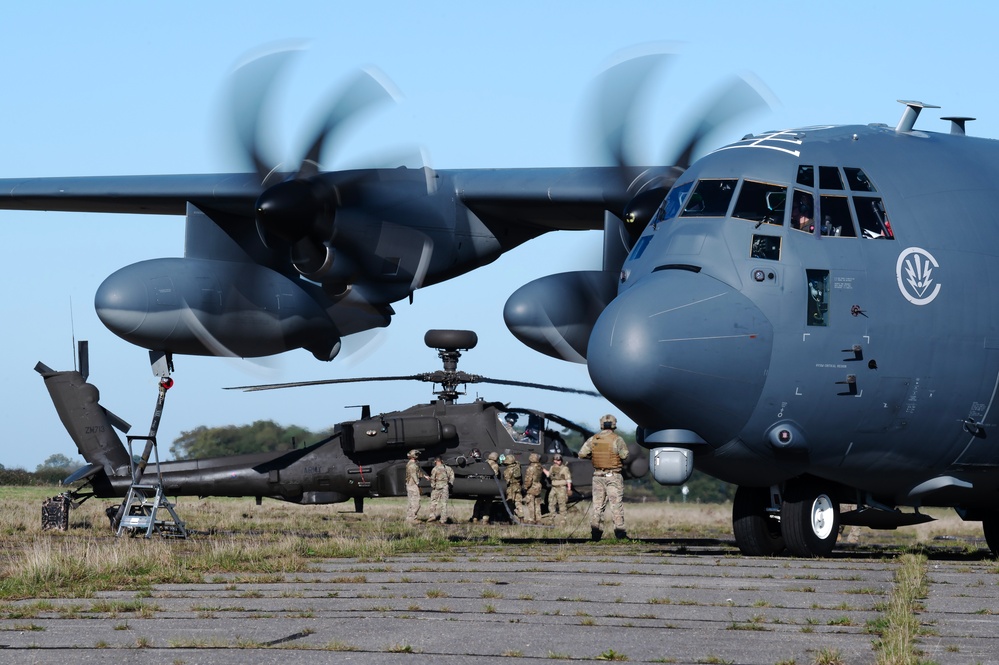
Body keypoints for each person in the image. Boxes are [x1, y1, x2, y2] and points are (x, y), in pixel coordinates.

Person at [578, 414, 629, 541]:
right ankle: (620, 533)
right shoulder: (617, 439)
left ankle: (595, 534)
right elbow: (624, 456)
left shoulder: (593, 439)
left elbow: (582, 454)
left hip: (598, 476)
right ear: (614, 424)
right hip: (613, 476)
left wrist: (594, 457)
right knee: (615, 505)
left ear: (601, 424)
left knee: (597, 507)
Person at [471, 451, 501, 523]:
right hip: (489, 486)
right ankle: (485, 519)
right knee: (488, 503)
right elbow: (495, 475)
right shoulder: (495, 465)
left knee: (479, 501)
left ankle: (475, 517)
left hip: (482, 485)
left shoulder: (484, 463)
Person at [543, 453, 572, 523]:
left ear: (561, 461)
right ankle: (551, 518)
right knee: (551, 502)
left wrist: (569, 489)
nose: (556, 462)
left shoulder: (565, 469)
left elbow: (568, 479)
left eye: (558, 460)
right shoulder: (552, 467)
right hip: (554, 488)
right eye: (555, 460)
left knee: (562, 504)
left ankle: (563, 520)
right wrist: (542, 469)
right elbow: (548, 474)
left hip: (561, 488)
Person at [427, 456, 455, 523]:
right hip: (445, 486)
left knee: (433, 502)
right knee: (444, 503)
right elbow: (452, 476)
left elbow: (433, 479)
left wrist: (433, 486)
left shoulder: (434, 469)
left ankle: (432, 516)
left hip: (437, 487)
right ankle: (443, 519)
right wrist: (450, 484)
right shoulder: (448, 468)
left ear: (435, 461)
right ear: (441, 461)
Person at [405, 449, 429, 524]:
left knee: (411, 502)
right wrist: (418, 484)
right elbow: (414, 475)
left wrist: (424, 476)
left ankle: (409, 518)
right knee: (416, 502)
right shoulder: (412, 465)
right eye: (417, 454)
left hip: (410, 484)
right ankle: (412, 518)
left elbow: (417, 473)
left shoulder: (411, 464)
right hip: (413, 485)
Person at [522, 453, 544, 524]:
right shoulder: (540, 467)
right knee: (537, 504)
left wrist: (525, 487)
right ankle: (539, 520)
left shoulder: (531, 468)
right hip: (538, 486)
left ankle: (531, 519)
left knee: (530, 503)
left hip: (532, 487)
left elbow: (528, 479)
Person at [503, 453, 523, 520]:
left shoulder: (507, 470)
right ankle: (521, 516)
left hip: (511, 488)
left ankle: (510, 517)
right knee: (518, 502)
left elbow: (507, 481)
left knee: (510, 502)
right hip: (518, 486)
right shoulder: (517, 467)